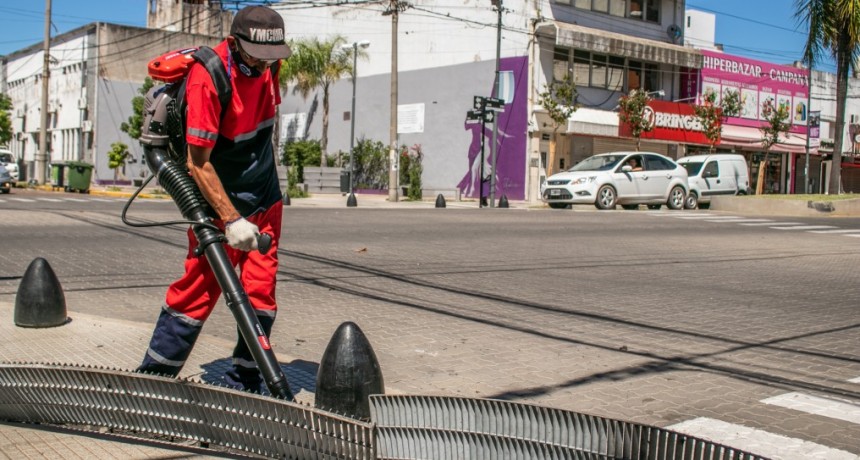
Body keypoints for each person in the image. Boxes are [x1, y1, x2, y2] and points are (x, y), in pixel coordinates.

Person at [136, 5, 292, 393]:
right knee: (199, 289)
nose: (265, 64)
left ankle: (245, 382)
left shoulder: (270, 65)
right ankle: (153, 383)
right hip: (220, 196)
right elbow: (198, 163)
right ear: (236, 44)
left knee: (260, 292)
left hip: (265, 195)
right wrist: (231, 218)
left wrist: (255, 213)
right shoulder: (210, 78)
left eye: (272, 57)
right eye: (257, 55)